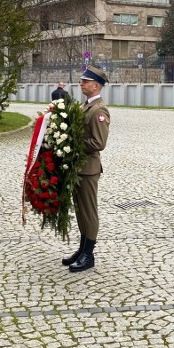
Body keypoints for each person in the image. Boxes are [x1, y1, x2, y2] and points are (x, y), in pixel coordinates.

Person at [61, 66, 111, 271]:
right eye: (81, 81)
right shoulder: (86, 106)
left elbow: (98, 143)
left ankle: (89, 254)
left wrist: (71, 145)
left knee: (88, 211)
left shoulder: (99, 110)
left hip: (88, 168)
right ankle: (82, 248)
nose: (81, 83)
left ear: (96, 85)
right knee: (81, 210)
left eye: (85, 81)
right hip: (79, 168)